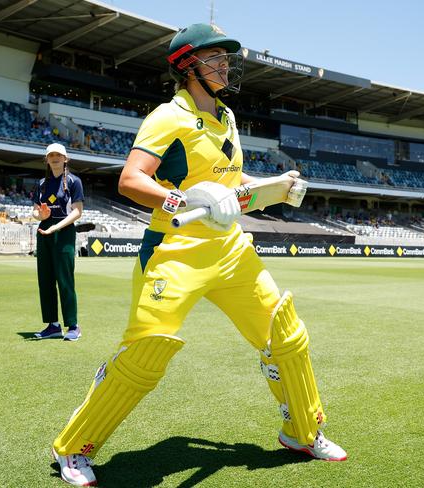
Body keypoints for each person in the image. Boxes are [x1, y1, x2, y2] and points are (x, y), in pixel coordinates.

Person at [50, 24, 346, 487]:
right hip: (174, 251)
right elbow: (131, 180)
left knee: (285, 336)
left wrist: (274, 188)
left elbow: (229, 194)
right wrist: (182, 199)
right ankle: (74, 448)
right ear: (188, 66)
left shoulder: (227, 117)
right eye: (215, 59)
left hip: (230, 249)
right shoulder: (168, 116)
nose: (226, 66)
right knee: (144, 355)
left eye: (228, 59)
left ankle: (303, 432)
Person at [32, 143, 84, 341]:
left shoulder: (74, 181)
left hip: (63, 233)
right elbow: (36, 211)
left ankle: (73, 325)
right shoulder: (41, 183)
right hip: (43, 231)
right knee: (45, 280)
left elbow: (77, 212)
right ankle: (53, 325)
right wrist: (40, 215)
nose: (54, 158)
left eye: (58, 155)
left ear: (65, 159)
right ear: (46, 159)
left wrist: (56, 227)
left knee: (64, 280)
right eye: (51, 155)